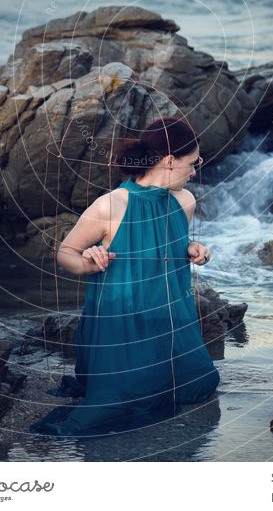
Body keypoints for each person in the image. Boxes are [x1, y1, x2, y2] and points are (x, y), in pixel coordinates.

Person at [29, 116, 220, 438]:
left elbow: (167, 240)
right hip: (122, 321)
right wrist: (89, 263)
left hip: (170, 316)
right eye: (193, 162)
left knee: (202, 383)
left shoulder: (184, 201)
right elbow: (66, 253)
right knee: (123, 402)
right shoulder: (110, 206)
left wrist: (191, 248)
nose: (195, 171)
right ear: (170, 161)